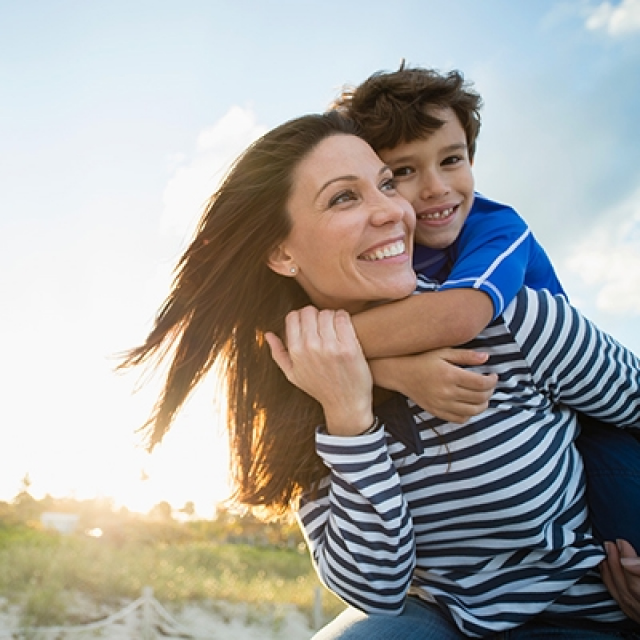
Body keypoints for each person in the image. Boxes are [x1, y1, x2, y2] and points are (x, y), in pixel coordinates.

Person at [120, 111, 640, 637]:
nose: (394, 211)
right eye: (344, 197)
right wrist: (349, 417)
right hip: (435, 618)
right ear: (281, 252)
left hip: (580, 614)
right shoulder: (298, 388)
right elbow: (375, 589)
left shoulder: (511, 320)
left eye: (386, 185)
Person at [331, 63, 640, 551]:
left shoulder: (497, 228)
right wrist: (399, 373)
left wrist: (349, 357)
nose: (436, 187)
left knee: (623, 553)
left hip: (590, 424)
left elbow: (460, 317)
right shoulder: (389, 251)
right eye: (405, 171)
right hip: (515, 450)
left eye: (452, 160)